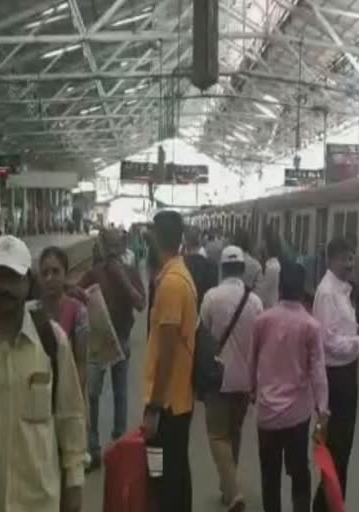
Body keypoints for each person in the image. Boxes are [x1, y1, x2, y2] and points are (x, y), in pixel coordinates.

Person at [0, 235, 86, 512]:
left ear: (27, 283)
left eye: (12, 278)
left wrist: (74, 483)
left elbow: (71, 417)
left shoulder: (52, 343)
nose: (4, 288)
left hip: (37, 501)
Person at [251, 262, 329, 512]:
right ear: (303, 289)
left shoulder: (262, 320)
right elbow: (318, 372)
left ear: (281, 286)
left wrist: (253, 391)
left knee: (269, 474)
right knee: (299, 471)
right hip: (297, 415)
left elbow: (253, 360)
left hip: (267, 414)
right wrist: (323, 409)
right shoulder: (311, 326)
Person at [312, 237, 359, 512]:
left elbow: (341, 335)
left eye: (352, 256)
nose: (350, 263)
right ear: (331, 259)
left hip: (348, 375)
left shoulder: (344, 291)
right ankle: (327, 506)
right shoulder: (327, 293)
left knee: (344, 449)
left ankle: (333, 504)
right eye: (345, 257)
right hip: (335, 379)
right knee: (337, 449)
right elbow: (328, 344)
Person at [141, 210, 198, 512]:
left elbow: (166, 354)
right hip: (177, 400)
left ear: (155, 238)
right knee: (175, 473)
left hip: (167, 404)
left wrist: (153, 409)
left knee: (161, 476)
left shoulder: (172, 284)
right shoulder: (178, 275)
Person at [200, 245, 264, 512]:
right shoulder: (256, 302)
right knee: (234, 433)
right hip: (245, 380)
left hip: (217, 379)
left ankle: (233, 491)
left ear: (222, 268)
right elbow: (260, 343)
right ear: (242, 269)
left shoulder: (211, 297)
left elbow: (201, 335)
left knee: (217, 436)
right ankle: (228, 488)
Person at [79, 228, 145, 469]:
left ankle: (119, 444)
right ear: (104, 247)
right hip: (98, 343)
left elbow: (140, 303)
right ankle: (94, 448)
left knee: (120, 394)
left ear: (123, 247)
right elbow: (77, 295)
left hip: (122, 340)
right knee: (94, 396)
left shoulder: (129, 272)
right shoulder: (94, 273)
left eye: (118, 247)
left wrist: (122, 278)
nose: (114, 252)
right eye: (111, 247)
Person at [35, 246, 89, 405]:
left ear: (65, 274)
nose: (49, 278)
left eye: (55, 271)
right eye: (44, 273)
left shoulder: (79, 312)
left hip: (65, 395)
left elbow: (81, 362)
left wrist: (77, 402)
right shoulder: (31, 312)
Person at [183, 225, 218, 311]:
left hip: (184, 312)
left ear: (185, 241)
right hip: (203, 312)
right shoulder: (212, 265)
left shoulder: (180, 264)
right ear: (201, 239)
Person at [255, 229, 282, 309]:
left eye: (263, 241)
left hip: (268, 308)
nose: (260, 244)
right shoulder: (273, 264)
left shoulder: (271, 268)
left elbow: (262, 293)